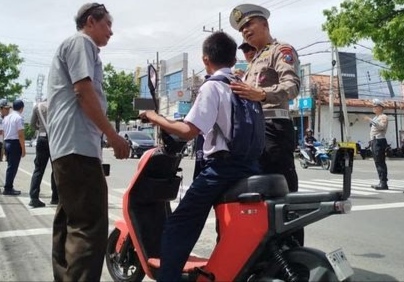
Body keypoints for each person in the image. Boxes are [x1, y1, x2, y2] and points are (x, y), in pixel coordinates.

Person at [139, 31, 262, 282]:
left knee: (179, 224)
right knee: (225, 227)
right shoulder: (244, 87)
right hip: (252, 166)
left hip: (222, 170)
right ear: (233, 57)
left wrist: (153, 117)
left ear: (206, 59)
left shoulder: (213, 87)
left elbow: (187, 131)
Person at [46, 3, 129, 281]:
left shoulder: (73, 46)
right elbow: (83, 91)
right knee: (89, 227)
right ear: (91, 21)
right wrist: (113, 135)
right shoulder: (82, 43)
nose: (111, 32)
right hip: (77, 149)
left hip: (67, 149)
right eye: (107, 24)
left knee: (69, 223)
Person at [229, 3, 300, 193]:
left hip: (274, 127)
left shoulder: (281, 50)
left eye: (249, 24)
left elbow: (292, 86)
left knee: (281, 189)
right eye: (242, 29)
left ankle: (291, 222)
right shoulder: (253, 61)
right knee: (260, 190)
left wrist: (262, 94)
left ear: (265, 24)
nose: (245, 31)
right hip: (254, 129)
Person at [28, 100, 59, 208]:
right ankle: (55, 197)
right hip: (55, 139)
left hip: (42, 138)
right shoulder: (57, 104)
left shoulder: (38, 106)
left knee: (38, 169)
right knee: (56, 168)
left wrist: (41, 127)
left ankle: (34, 198)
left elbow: (32, 124)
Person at [364, 99, 389, 190]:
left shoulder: (383, 116)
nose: (373, 108)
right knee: (377, 162)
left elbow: (381, 127)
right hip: (374, 141)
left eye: (375, 106)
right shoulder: (376, 117)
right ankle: (381, 181)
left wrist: (370, 120)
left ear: (380, 108)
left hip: (379, 141)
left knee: (380, 162)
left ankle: (383, 183)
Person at [2, 99, 25, 196]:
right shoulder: (19, 118)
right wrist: (23, 149)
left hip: (7, 142)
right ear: (21, 108)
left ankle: (8, 186)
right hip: (15, 144)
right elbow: (20, 135)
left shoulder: (6, 118)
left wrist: (4, 147)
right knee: (13, 167)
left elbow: (3, 133)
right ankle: (8, 188)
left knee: (10, 166)